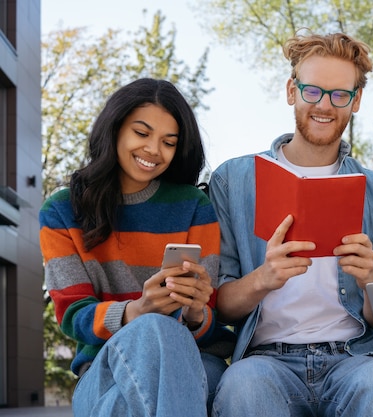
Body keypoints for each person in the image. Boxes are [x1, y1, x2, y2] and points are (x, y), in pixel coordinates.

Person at [208, 31, 373, 417]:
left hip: (355, 357)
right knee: (242, 387)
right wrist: (264, 277)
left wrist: (369, 278)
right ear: (291, 91)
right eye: (312, 91)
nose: (325, 105)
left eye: (340, 95)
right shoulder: (233, 181)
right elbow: (219, 307)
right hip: (267, 359)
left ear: (356, 101)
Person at [40, 78, 233, 417]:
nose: (154, 150)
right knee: (152, 328)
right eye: (141, 134)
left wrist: (195, 310)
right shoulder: (61, 211)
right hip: (103, 367)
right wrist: (137, 312)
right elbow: (73, 315)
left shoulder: (194, 206)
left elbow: (210, 319)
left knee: (123, 402)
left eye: (168, 142)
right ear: (114, 130)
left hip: (197, 362)